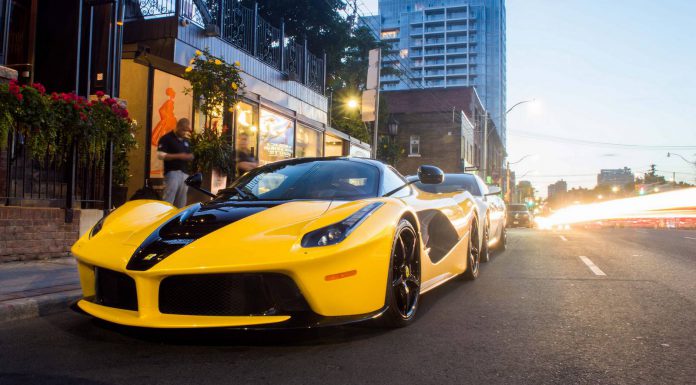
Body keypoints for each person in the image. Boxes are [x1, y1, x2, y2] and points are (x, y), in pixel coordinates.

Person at [157, 118, 194, 208]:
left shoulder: (186, 141)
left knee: (182, 201)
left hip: (184, 174)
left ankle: (179, 219)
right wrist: (178, 156)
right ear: (178, 127)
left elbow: (189, 154)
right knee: (168, 199)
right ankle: (165, 218)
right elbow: (160, 155)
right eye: (183, 130)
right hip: (172, 173)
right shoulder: (166, 138)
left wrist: (190, 157)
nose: (184, 132)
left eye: (186, 130)